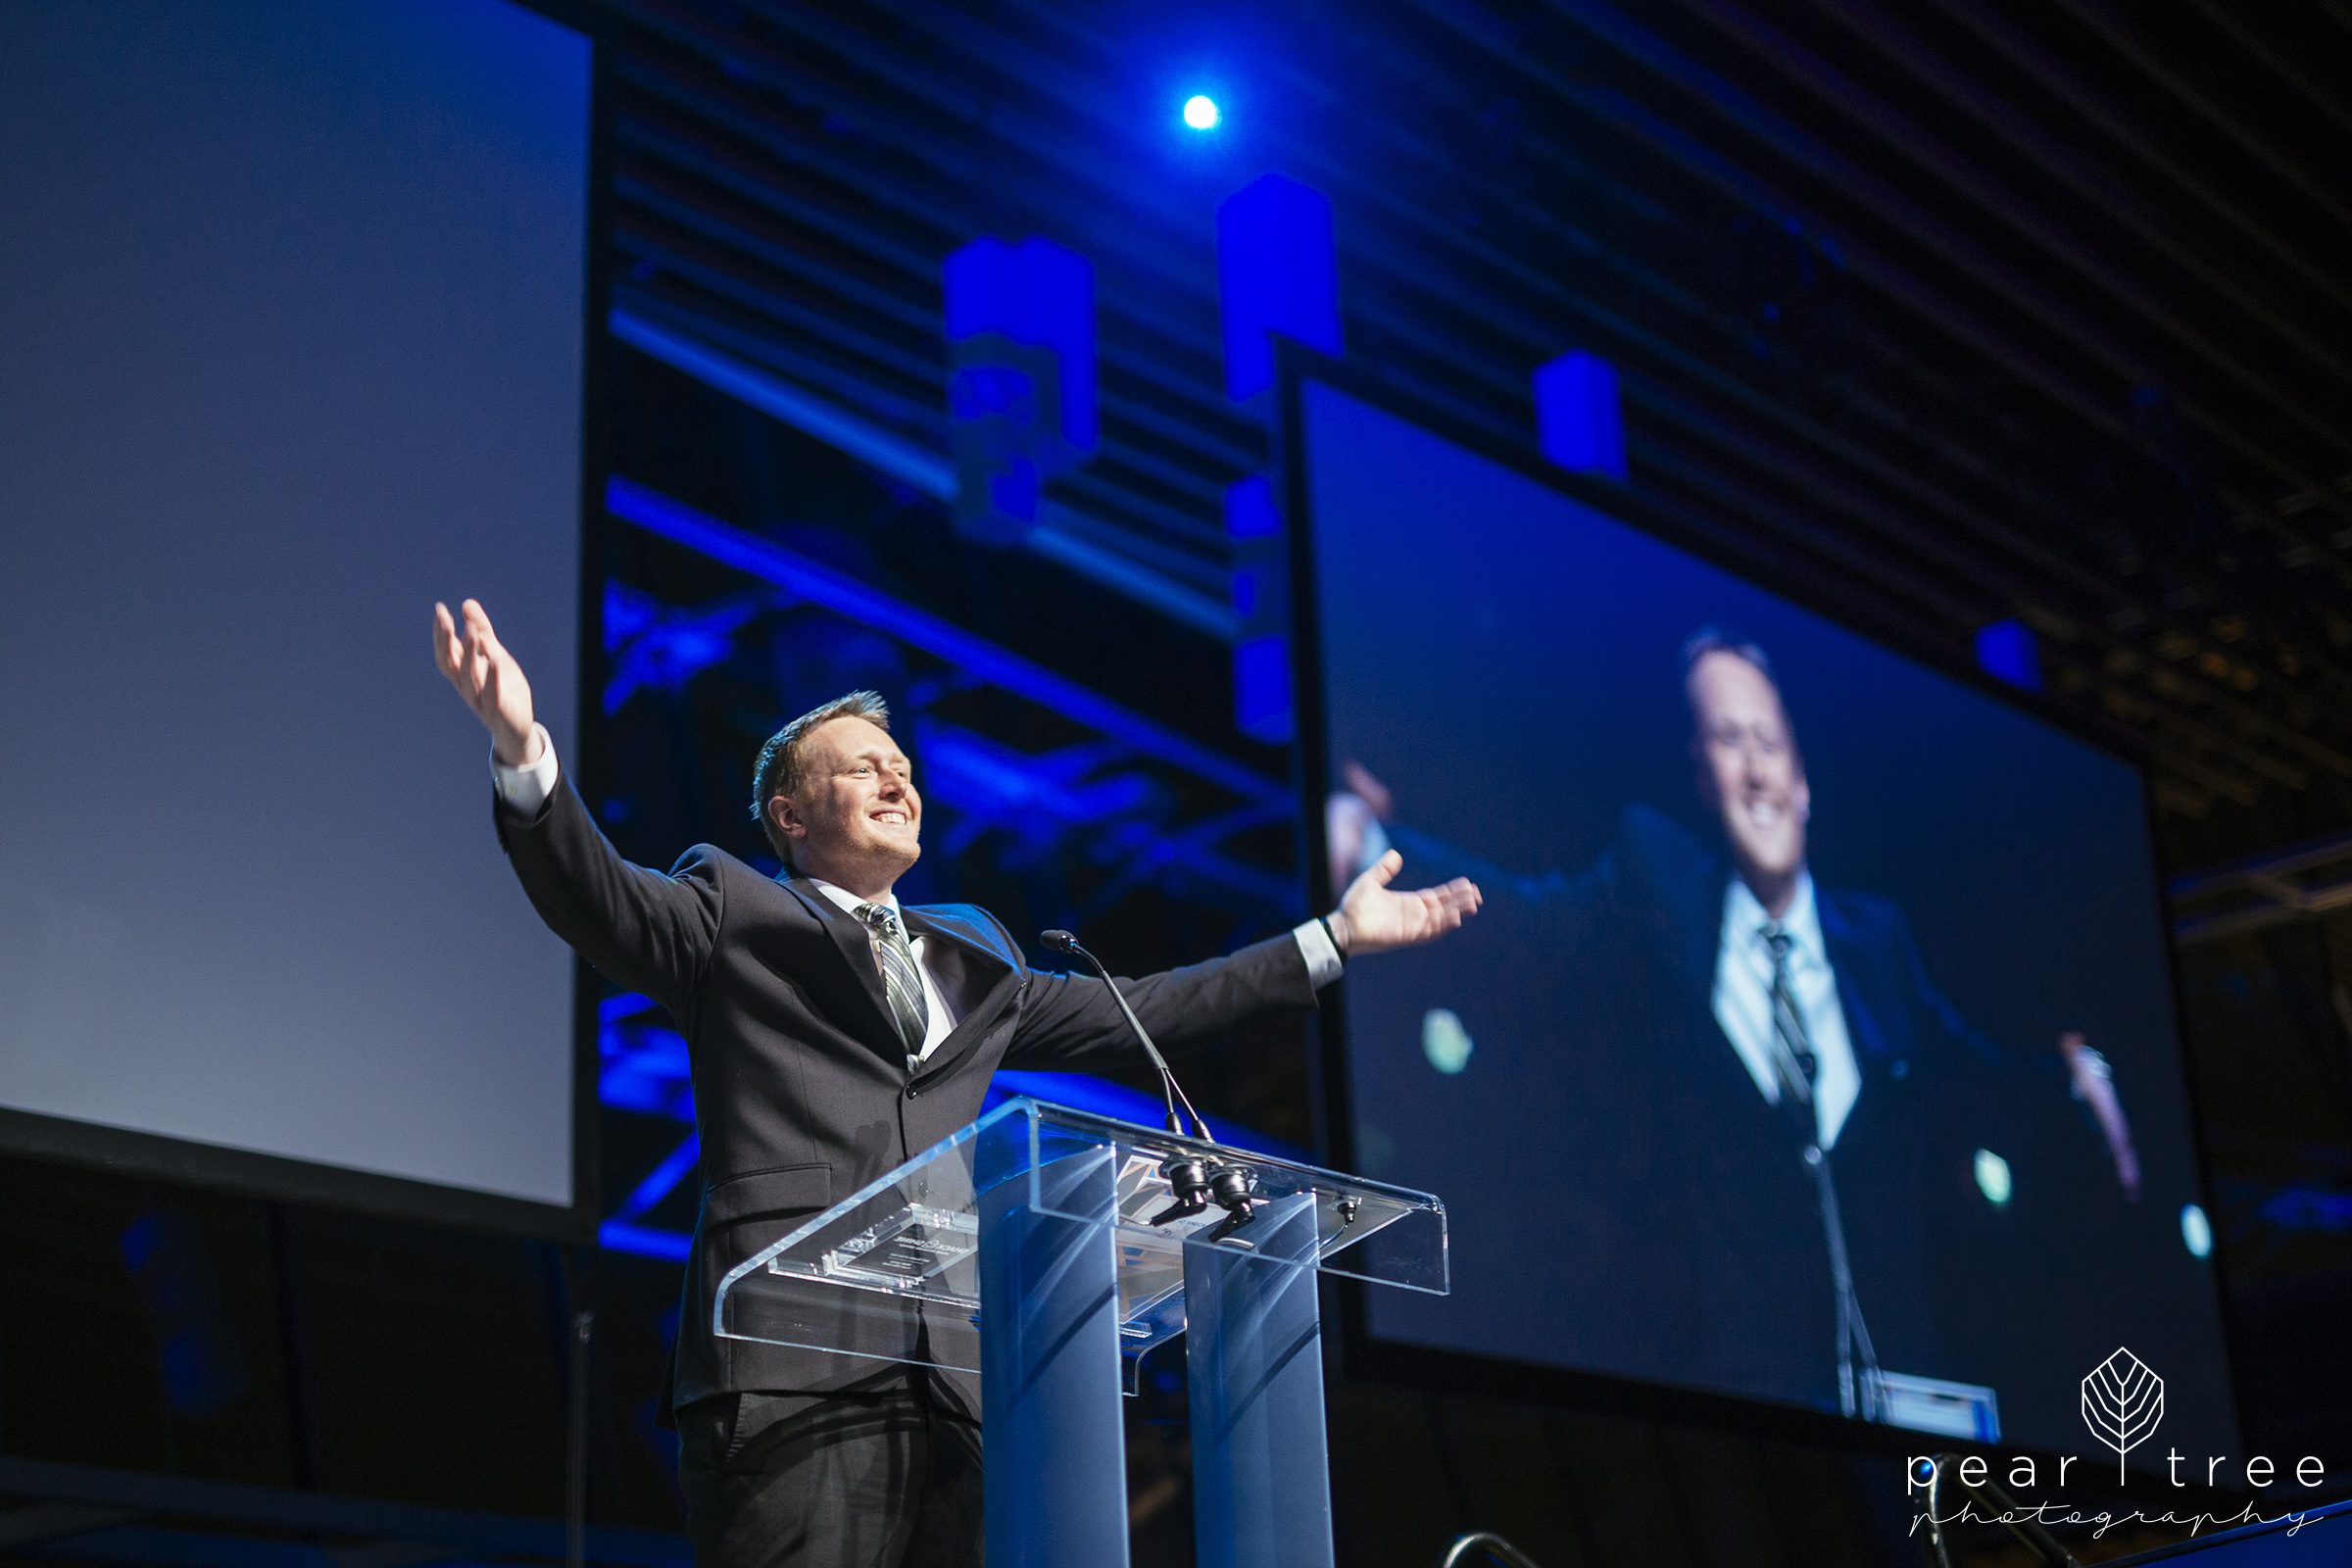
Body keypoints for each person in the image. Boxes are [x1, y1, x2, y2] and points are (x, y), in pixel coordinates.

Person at [433, 598, 1480, 1568]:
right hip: (795, 1374)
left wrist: (1330, 939)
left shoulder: (976, 957)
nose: (899, 783)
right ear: (791, 815)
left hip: (966, 1393)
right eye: (863, 769)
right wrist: (524, 756)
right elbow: (599, 896)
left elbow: (1151, 1010)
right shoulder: (732, 911)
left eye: (903, 768)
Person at [1326, 629, 2137, 1418]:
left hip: (1900, 1418)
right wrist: (1379, 850)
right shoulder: (1659, 884)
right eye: (1728, 741)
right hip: (1732, 1410)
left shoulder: (1877, 943)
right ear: (1704, 776)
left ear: (1803, 780)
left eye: (1768, 744)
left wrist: (2075, 1087)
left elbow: (1973, 1079)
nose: (1754, 771)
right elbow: (1530, 926)